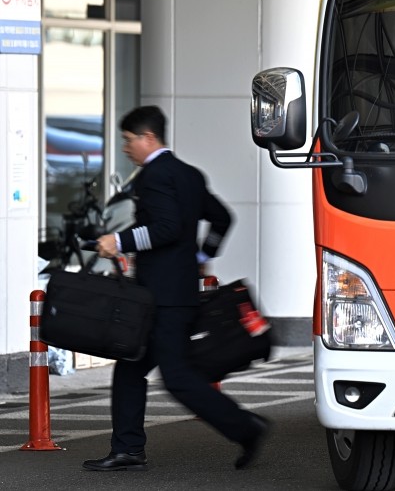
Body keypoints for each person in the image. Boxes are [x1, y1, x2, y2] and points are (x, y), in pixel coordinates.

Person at [83, 105, 268, 471]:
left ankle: (247, 428)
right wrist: (201, 253)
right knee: (132, 367)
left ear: (148, 138)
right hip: (177, 291)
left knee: (178, 378)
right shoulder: (189, 174)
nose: (125, 148)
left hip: (163, 297)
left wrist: (117, 242)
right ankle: (128, 448)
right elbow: (221, 217)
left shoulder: (154, 176)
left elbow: (165, 228)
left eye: (128, 140)